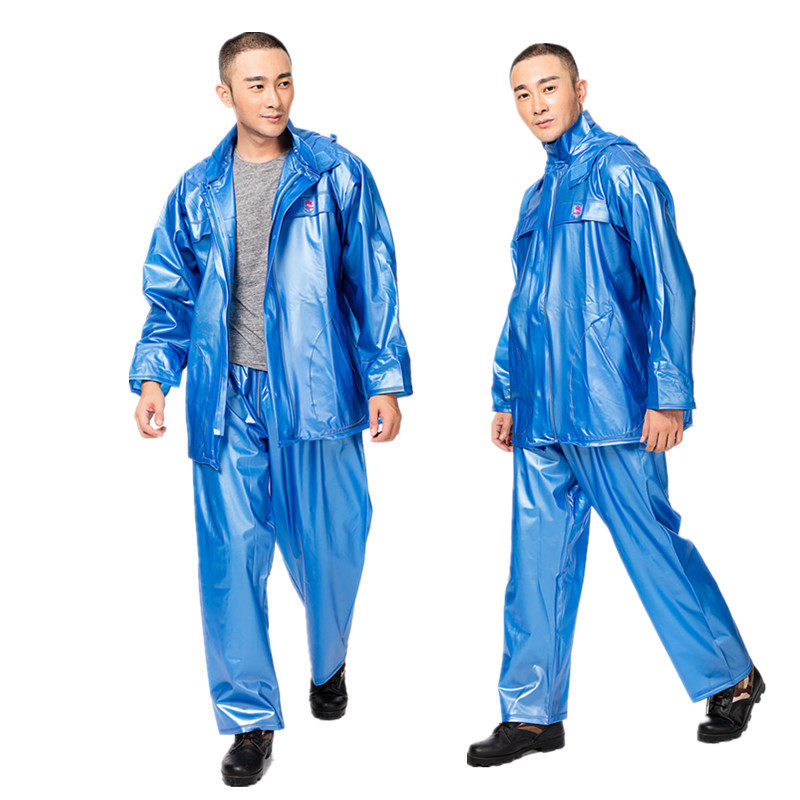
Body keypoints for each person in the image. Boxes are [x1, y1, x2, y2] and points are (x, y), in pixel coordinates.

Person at [467, 43, 762, 768]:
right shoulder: (536, 198)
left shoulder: (623, 170)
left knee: (651, 546)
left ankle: (732, 675)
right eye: (521, 94)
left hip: (613, 406)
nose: (536, 104)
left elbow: (670, 283)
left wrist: (669, 393)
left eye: (548, 87)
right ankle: (532, 715)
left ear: (579, 88)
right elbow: (525, 303)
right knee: (535, 562)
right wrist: (506, 390)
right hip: (541, 412)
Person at [130, 32, 411, 786]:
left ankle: (328, 659)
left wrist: (384, 378)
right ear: (226, 95)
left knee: (332, 545)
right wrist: (154, 376)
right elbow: (171, 293)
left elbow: (373, 279)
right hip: (226, 397)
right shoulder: (197, 189)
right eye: (256, 85)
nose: (274, 97)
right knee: (230, 557)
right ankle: (250, 721)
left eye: (283, 81)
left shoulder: (335, 173)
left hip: (317, 390)